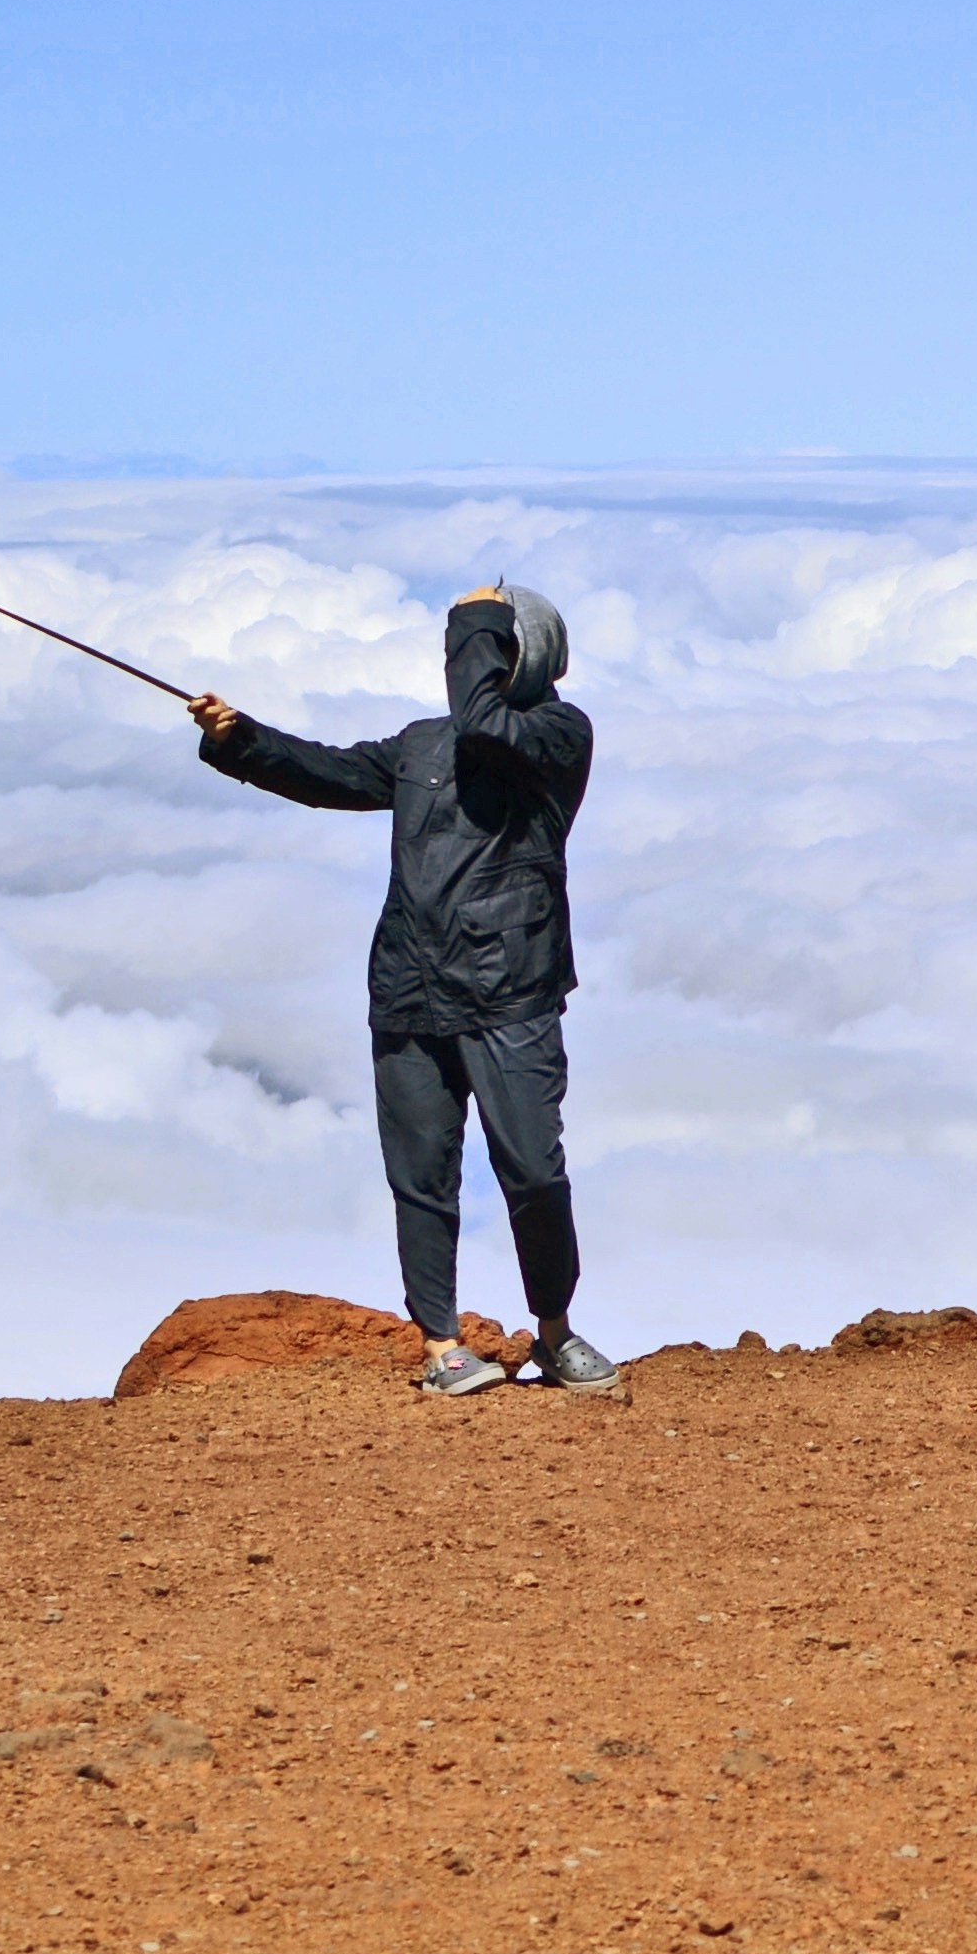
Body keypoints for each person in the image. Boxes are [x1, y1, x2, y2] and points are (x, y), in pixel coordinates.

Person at [187, 584, 618, 1398]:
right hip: (410, 987)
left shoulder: (557, 735)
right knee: (421, 1174)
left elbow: (488, 722)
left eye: (493, 645)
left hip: (510, 990)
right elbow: (330, 772)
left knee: (532, 1170)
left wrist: (474, 617)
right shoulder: (425, 746)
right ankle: (443, 1346)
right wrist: (239, 738)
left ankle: (555, 1333)